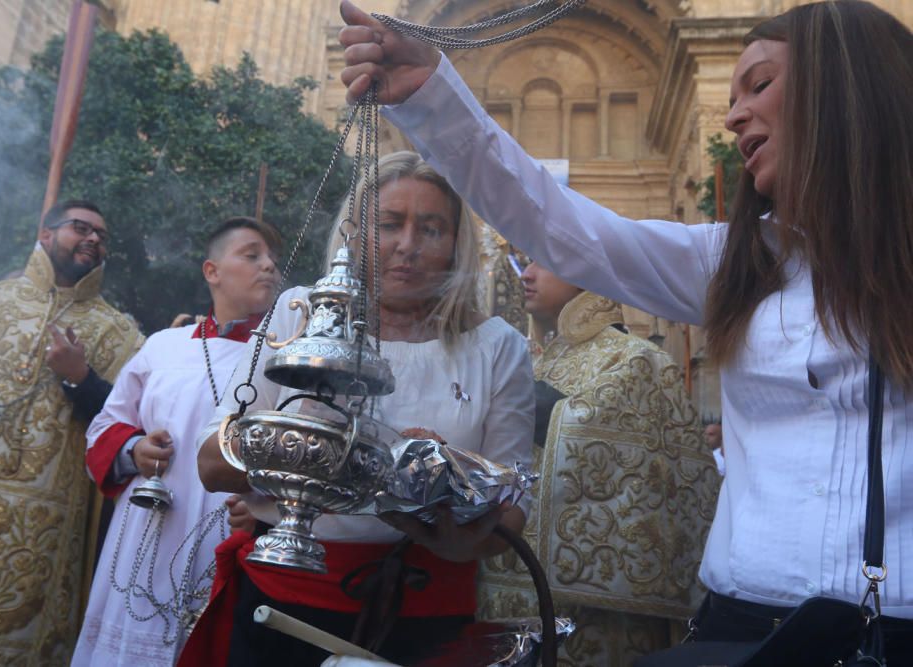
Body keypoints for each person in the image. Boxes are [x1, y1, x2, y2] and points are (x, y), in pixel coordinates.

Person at [338, 0, 913, 660]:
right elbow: (561, 223)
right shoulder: (733, 263)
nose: (732, 116)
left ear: (847, 89)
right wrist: (434, 96)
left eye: (760, 85)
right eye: (731, 95)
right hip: (741, 628)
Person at [182, 151, 535, 667]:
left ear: (456, 245)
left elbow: (511, 507)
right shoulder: (303, 312)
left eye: (431, 229)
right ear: (356, 234)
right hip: (286, 602)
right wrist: (305, 451)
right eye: (389, 224)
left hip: (425, 615)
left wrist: (445, 488)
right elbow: (214, 461)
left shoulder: (495, 345)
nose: (407, 246)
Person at [0, 200, 144, 665]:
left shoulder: (121, 334)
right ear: (45, 234)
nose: (94, 239)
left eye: (101, 235)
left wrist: (80, 377)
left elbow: (126, 427)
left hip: (41, 527)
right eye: (80, 228)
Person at [477, 260, 719, 664]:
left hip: (599, 616)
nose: (526, 274)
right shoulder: (537, 359)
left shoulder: (638, 359)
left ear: (586, 271)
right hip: (510, 592)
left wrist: (525, 407)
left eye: (544, 261)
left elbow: (643, 469)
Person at [72, 217, 282, 666]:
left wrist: (269, 505)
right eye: (252, 255)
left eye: (272, 259)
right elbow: (105, 427)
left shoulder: (287, 357)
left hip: (230, 536)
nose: (269, 267)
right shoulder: (163, 346)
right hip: (147, 530)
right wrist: (134, 451)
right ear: (212, 271)